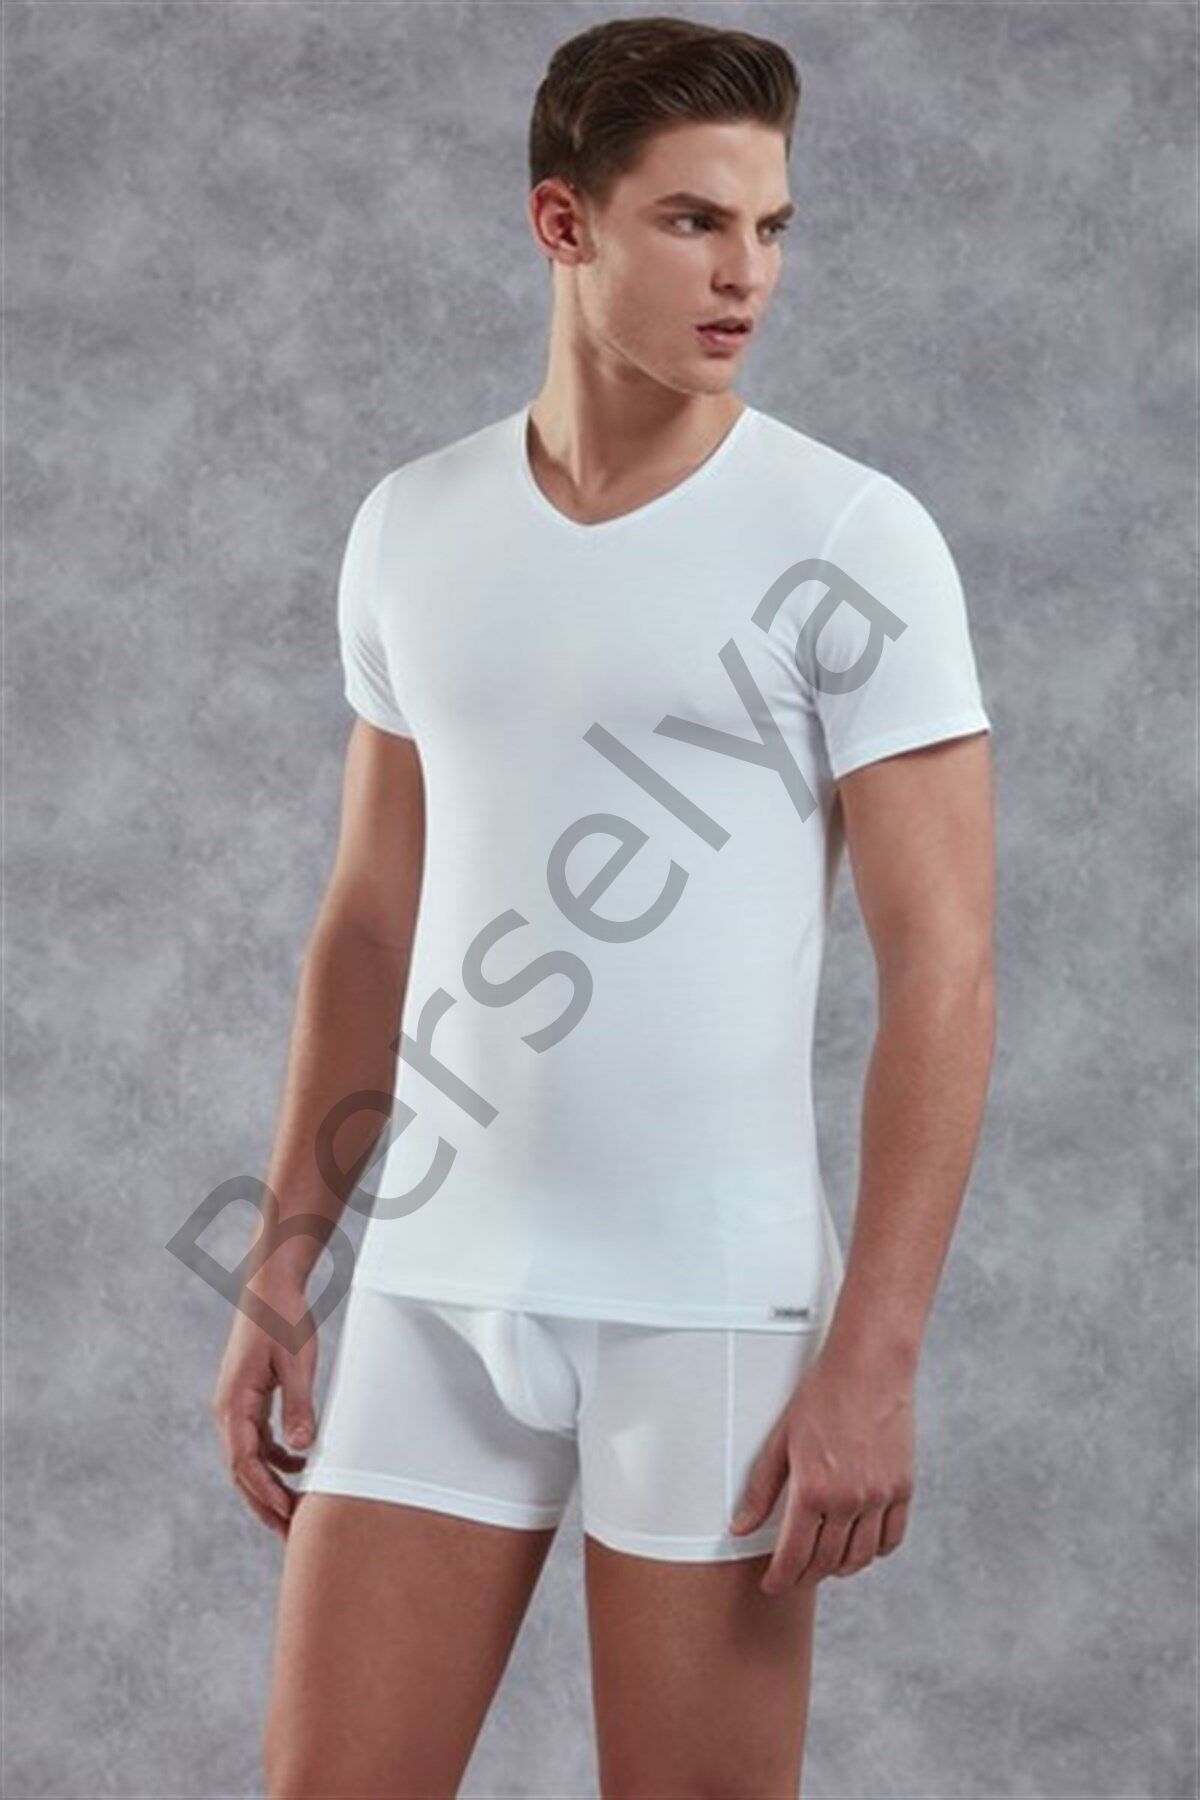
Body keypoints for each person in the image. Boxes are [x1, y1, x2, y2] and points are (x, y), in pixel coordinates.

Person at [211, 14, 997, 1797]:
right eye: (694, 221)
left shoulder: (849, 540)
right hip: (437, 1281)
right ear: (562, 222)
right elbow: (369, 923)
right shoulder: (412, 527)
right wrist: (281, 1264)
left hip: (709, 1307)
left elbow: (944, 968)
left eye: (772, 226)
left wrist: (876, 1355)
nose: (748, 275)